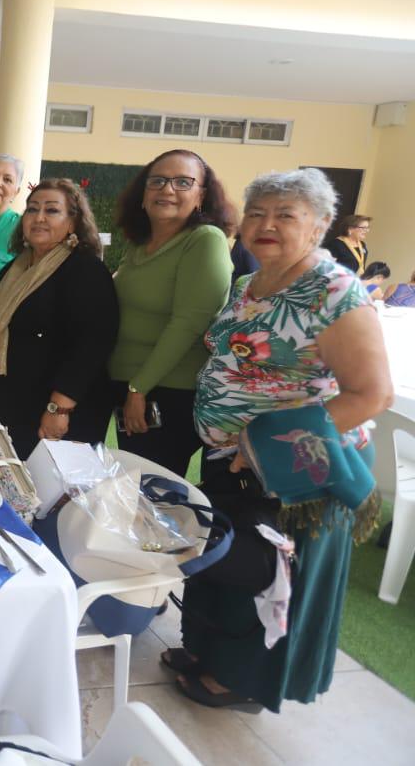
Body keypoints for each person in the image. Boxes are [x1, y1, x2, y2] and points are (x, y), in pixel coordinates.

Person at [178, 167, 392, 712]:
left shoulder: (334, 289)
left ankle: (243, 683)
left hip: (293, 470)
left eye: (285, 215)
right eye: (256, 212)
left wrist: (262, 446)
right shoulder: (252, 280)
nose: (265, 224)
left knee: (264, 575)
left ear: (320, 225)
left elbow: (370, 395)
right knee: (221, 561)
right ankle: (206, 654)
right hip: (231, 456)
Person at [0, 179, 119, 459]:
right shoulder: (18, 266)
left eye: (52, 210)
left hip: (55, 411)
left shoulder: (85, 270)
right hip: (13, 404)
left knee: (48, 495)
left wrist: (59, 408)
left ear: (73, 223)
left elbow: (93, 344)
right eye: (32, 209)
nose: (39, 217)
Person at [108, 149, 234, 478]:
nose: (167, 190)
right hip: (130, 386)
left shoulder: (205, 240)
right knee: (131, 487)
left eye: (183, 182)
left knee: (155, 495)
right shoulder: (139, 243)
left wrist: (139, 389)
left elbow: (189, 322)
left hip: (166, 392)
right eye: (158, 181)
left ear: (201, 195)